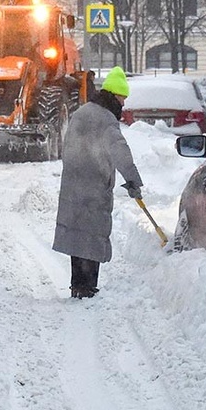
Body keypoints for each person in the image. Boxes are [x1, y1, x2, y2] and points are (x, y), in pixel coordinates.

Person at [53, 66, 143, 299]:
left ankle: (78, 285)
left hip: (74, 181)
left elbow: (68, 146)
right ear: (113, 96)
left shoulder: (81, 113)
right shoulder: (106, 120)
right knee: (92, 233)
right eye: (122, 98)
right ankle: (89, 286)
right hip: (94, 184)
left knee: (76, 232)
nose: (123, 103)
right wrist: (133, 179)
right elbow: (120, 152)